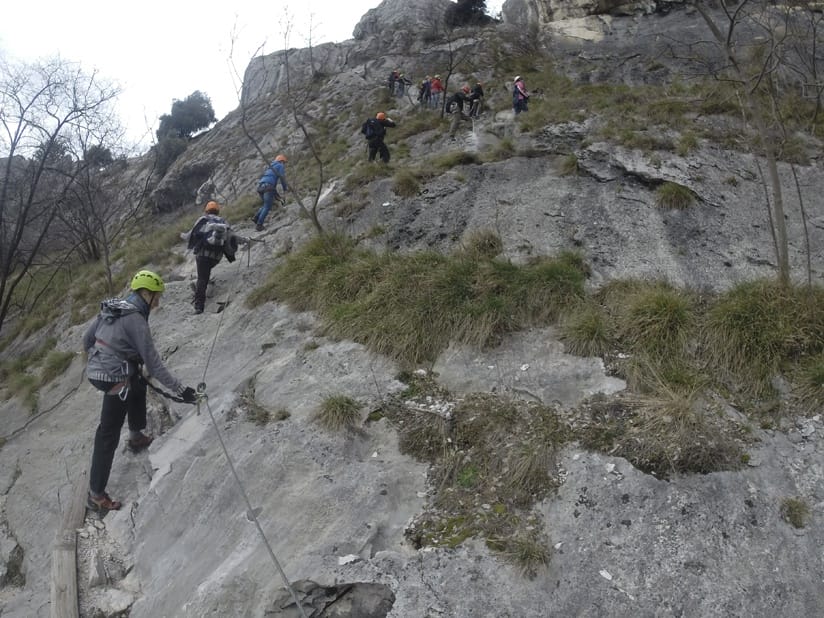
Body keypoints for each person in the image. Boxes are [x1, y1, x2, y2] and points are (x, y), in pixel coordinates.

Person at [83, 269, 198, 511]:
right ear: (145, 293)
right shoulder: (136, 319)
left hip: (98, 368)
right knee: (107, 434)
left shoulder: (116, 306)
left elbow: (87, 338)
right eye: (156, 297)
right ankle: (96, 494)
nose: (158, 303)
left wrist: (104, 356)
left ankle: (136, 436)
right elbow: (154, 365)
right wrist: (182, 390)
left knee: (136, 383)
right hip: (112, 376)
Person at [187, 201, 239, 315]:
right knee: (206, 273)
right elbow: (230, 238)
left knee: (202, 279)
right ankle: (207, 281)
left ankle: (199, 307)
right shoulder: (224, 222)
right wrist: (230, 255)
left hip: (202, 255)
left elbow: (193, 234)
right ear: (218, 211)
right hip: (216, 257)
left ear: (207, 210)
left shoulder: (203, 220)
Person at [252, 154, 288, 231]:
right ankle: (259, 225)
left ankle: (256, 218)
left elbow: (273, 189)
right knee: (267, 206)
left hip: (261, 187)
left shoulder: (270, 167)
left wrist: (279, 198)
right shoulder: (280, 166)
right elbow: (282, 177)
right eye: (284, 162)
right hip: (268, 187)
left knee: (266, 204)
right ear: (281, 161)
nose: (284, 165)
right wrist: (285, 188)